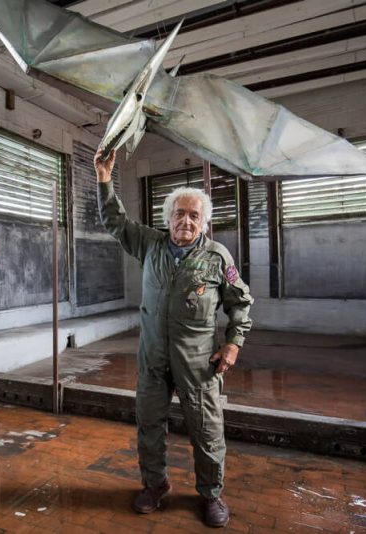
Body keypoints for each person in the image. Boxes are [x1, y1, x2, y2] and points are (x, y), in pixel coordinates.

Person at [94, 149, 253, 528]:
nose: (185, 220)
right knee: (149, 425)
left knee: (206, 430)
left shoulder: (217, 258)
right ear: (167, 218)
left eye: (194, 215)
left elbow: (240, 302)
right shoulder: (149, 244)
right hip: (153, 359)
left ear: (205, 222)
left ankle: (211, 494)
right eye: (179, 214)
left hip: (198, 364)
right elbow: (114, 221)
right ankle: (155, 485)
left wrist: (233, 343)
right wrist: (104, 179)